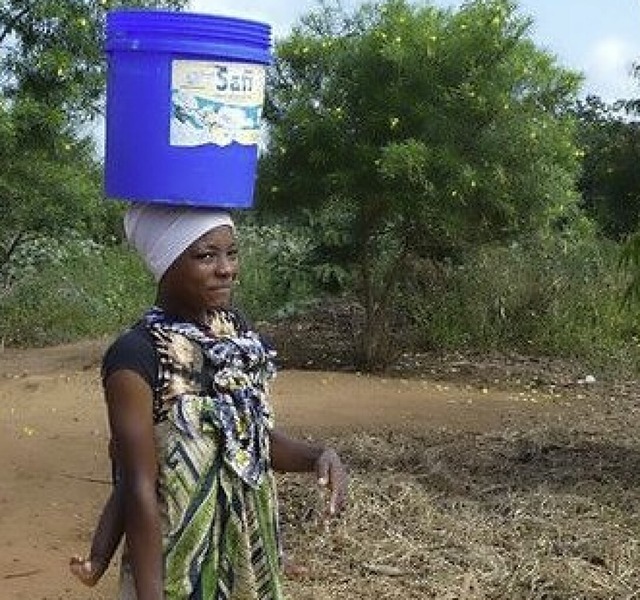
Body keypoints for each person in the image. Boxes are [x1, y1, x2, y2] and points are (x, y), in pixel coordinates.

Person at [71, 203, 348, 599]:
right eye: (206, 255)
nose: (226, 269)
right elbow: (137, 486)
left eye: (231, 253)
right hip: (175, 564)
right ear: (165, 263)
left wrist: (318, 455)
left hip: (243, 563)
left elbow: (247, 441)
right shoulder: (138, 355)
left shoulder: (234, 335)